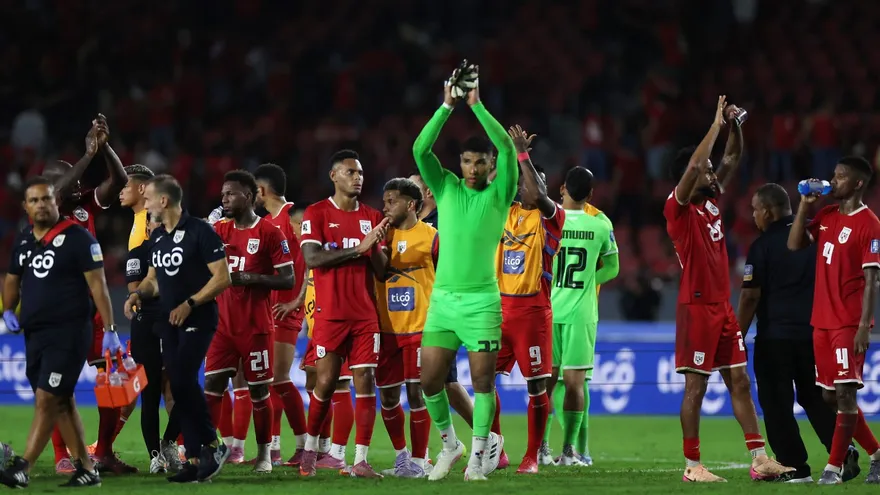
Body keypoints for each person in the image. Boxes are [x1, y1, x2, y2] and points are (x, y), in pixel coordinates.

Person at [664, 96, 792, 482]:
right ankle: (692, 466)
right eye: (706, 171)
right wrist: (715, 125)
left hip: (722, 307)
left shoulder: (711, 202)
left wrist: (733, 124)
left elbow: (733, 158)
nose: (714, 175)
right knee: (696, 387)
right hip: (697, 307)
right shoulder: (678, 207)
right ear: (691, 176)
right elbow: (695, 165)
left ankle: (759, 457)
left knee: (739, 380)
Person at [411, 64, 517, 481]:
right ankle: (451, 444)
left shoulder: (500, 192)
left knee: (482, 382)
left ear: (491, 165)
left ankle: (479, 455)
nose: (472, 168)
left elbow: (508, 149)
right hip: (443, 302)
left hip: (482, 302)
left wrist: (475, 105)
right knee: (428, 381)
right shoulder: (447, 187)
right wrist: (445, 107)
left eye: (480, 162)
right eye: (467, 161)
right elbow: (420, 151)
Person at [738, 183, 859, 483]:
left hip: (775, 338)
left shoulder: (762, 246)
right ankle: (842, 453)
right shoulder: (817, 235)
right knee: (816, 398)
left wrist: (736, 336)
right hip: (816, 334)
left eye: (755, 209)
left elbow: (751, 297)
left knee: (777, 404)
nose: (754, 216)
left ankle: (795, 467)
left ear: (767, 211)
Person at [0, 177, 116, 488]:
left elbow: (99, 286)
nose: (41, 205)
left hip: (69, 332)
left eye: (46, 199)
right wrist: (8, 310)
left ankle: (23, 465)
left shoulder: (79, 238)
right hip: (35, 334)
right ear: (26, 206)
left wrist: (110, 329)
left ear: (56, 202)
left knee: (47, 398)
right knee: (62, 401)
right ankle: (88, 470)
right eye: (34, 200)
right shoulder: (24, 239)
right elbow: (12, 278)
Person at [123, 175, 232, 483]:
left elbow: (222, 277)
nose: (144, 205)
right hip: (168, 324)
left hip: (197, 319)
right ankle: (196, 459)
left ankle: (213, 444)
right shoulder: (157, 238)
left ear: (164, 201)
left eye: (148, 200)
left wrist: (191, 303)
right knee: (179, 387)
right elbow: (154, 280)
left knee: (182, 379)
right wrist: (136, 294)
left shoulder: (201, 232)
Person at [42, 115, 132, 475]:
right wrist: (85, 154)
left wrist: (103, 147)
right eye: (69, 175)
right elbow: (56, 193)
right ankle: (61, 455)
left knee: (116, 382)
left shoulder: (85, 206)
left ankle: (104, 452)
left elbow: (121, 181)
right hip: (60, 309)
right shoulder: (44, 211)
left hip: (94, 309)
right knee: (56, 388)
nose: (77, 179)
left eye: (77, 174)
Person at [788, 156, 880, 485]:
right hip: (821, 321)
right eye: (834, 175)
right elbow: (794, 243)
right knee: (829, 396)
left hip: (847, 322)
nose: (833, 180)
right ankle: (878, 454)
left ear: (857, 184)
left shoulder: (870, 224)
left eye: (840, 177)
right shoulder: (826, 216)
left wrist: (863, 327)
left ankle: (834, 467)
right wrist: (803, 205)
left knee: (844, 395)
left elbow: (872, 280)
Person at [297, 150, 390, 478]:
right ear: (334, 176)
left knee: (366, 381)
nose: (358, 177)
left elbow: (382, 272)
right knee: (325, 383)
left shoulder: (371, 215)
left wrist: (377, 247)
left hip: (365, 314)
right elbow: (312, 259)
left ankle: (360, 460)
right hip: (330, 313)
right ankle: (310, 449)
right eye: (351, 172)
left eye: (361, 172)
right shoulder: (317, 213)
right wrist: (358, 248)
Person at [203, 170, 295, 474]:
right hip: (221, 327)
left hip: (256, 328)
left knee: (258, 392)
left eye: (231, 193)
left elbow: (287, 279)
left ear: (250, 195)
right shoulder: (219, 231)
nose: (224, 199)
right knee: (213, 385)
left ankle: (265, 453)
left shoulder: (270, 233)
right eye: (223, 194)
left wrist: (250, 278)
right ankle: (208, 449)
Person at [490, 127, 564, 474]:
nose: (528, 188)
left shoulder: (552, 218)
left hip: (533, 312)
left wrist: (523, 155)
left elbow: (536, 189)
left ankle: (532, 456)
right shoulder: (506, 212)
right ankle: (496, 449)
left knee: (536, 386)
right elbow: (491, 183)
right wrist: (507, 152)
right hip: (498, 308)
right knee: (483, 380)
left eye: (536, 184)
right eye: (524, 183)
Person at [548, 166, 619, 466]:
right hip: (581, 313)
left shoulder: (546, 220)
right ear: (590, 194)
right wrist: (590, 280)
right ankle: (570, 452)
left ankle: (538, 448)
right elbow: (613, 268)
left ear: (562, 188)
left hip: (547, 310)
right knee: (576, 384)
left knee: (544, 383)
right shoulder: (600, 224)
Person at [376, 178, 438, 478]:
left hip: (419, 326)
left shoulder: (431, 236)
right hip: (386, 327)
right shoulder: (379, 235)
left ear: (410, 204)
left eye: (392, 201)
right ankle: (402, 458)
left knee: (416, 395)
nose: (386, 207)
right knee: (387, 397)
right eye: (384, 201)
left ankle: (420, 459)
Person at [408, 172, 474, 428]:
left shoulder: (443, 222)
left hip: (438, 310)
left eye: (410, 187)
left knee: (443, 382)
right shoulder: (407, 224)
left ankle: (489, 440)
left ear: (426, 193)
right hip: (408, 312)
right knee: (429, 383)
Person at [254, 163, 308, 464]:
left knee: (279, 377)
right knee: (269, 379)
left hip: (289, 307)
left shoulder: (292, 217)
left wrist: (298, 301)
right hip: (269, 308)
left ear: (261, 190)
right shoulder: (267, 221)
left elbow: (311, 260)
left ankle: (304, 444)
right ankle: (273, 448)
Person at [126, 210, 186, 474]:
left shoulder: (184, 250)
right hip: (147, 326)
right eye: (156, 221)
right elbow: (135, 289)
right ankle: (155, 456)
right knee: (149, 394)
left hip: (178, 323)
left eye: (165, 221)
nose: (162, 225)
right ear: (148, 227)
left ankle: (169, 443)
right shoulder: (138, 254)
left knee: (185, 390)